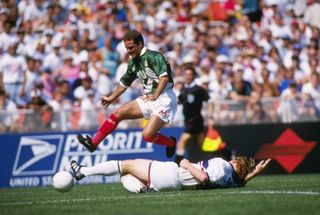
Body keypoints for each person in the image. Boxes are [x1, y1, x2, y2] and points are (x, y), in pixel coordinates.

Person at [77, 30, 177, 158]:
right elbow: (124, 84)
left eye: (131, 47)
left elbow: (164, 78)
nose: (129, 51)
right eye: (127, 48)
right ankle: (93, 143)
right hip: (148, 98)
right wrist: (111, 98)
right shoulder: (133, 63)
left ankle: (170, 143)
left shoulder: (154, 56)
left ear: (140, 44)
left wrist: (156, 95)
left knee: (147, 135)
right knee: (117, 114)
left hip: (164, 99)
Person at [70, 156, 271, 193]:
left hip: (173, 172)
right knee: (126, 177)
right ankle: (142, 190)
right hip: (174, 184)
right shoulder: (230, 182)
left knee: (126, 164)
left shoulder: (223, 166)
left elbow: (203, 178)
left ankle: (83, 172)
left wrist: (185, 163)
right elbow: (238, 184)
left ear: (236, 163)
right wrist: (253, 173)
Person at [175, 66, 211, 164]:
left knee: (181, 142)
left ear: (193, 76)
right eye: (186, 74)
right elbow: (180, 102)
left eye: (190, 74)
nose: (187, 76)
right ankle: (222, 155)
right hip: (188, 121)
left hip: (195, 120)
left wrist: (211, 116)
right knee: (202, 145)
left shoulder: (198, 89)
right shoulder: (183, 89)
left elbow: (210, 101)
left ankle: (179, 166)